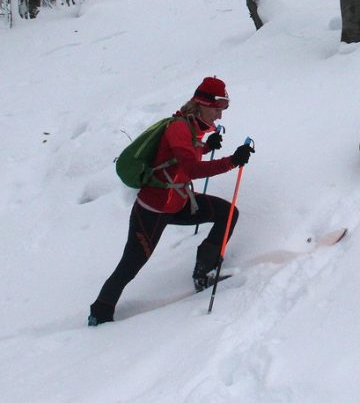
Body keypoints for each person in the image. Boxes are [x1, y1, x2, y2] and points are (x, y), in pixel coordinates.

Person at [88, 77, 254, 326]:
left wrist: (206, 147)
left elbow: (178, 158)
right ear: (202, 103)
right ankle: (100, 314)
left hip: (178, 202)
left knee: (227, 213)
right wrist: (232, 161)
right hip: (153, 211)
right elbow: (191, 169)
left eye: (223, 109)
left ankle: (203, 273)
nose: (220, 116)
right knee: (131, 265)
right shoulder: (179, 127)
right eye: (217, 108)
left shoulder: (193, 126)